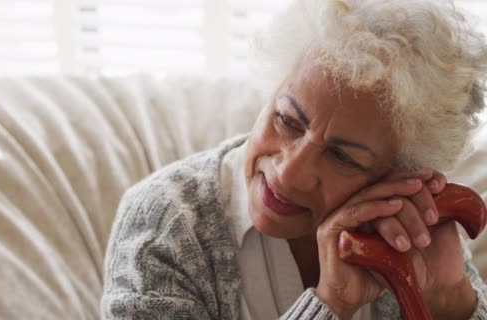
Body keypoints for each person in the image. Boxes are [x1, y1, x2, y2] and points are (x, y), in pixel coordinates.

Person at [102, 0, 487, 319]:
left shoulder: (412, 231)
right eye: (287, 121)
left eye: (341, 156)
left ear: (401, 176)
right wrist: (330, 303)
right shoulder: (163, 226)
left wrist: (450, 300)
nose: (289, 173)